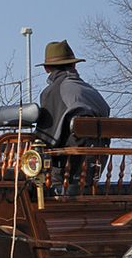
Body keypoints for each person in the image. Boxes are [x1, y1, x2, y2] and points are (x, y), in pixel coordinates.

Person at [35, 39, 111, 193]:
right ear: (74, 65)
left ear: (47, 69)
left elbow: (46, 138)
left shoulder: (54, 91)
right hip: (94, 170)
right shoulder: (91, 91)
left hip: (69, 173)